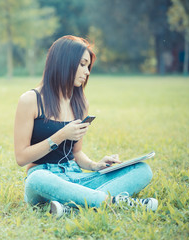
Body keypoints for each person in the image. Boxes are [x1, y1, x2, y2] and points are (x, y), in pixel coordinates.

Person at [13, 35, 158, 218]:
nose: (87, 72)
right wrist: (61, 135)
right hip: (44, 179)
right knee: (36, 179)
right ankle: (112, 203)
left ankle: (71, 206)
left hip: (76, 178)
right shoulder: (30, 100)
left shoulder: (80, 103)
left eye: (88, 66)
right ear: (63, 63)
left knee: (142, 170)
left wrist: (96, 165)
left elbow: (76, 153)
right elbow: (21, 157)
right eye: (82, 64)